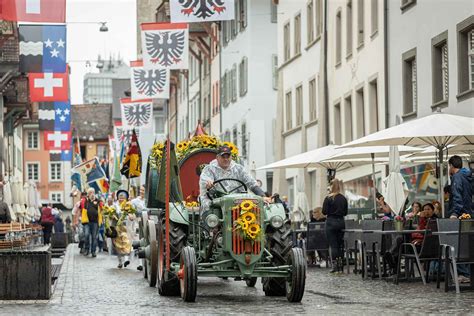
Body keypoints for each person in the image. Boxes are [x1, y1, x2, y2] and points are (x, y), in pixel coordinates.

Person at [199, 145, 271, 210]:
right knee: (209, 209)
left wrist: (262, 196)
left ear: (231, 157)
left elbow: (251, 183)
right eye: (223, 157)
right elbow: (206, 181)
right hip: (216, 200)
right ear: (217, 157)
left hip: (238, 200)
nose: (226, 159)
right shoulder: (209, 169)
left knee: (254, 208)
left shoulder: (239, 169)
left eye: (228, 156)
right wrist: (209, 183)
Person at [385, 203, 438, 273]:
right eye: (424, 209)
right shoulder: (423, 219)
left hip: (423, 247)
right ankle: (393, 261)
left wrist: (421, 219)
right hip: (415, 244)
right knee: (399, 242)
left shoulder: (434, 221)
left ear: (433, 210)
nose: (426, 211)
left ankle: (393, 262)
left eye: (428, 209)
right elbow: (420, 231)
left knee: (399, 244)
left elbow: (423, 232)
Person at [322, 179, 348, 274]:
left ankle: (335, 265)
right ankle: (341, 264)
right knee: (340, 244)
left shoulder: (328, 198)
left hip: (331, 222)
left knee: (333, 245)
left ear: (331, 186)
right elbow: (345, 212)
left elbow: (324, 211)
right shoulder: (343, 198)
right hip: (341, 222)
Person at [81, 188, 103, 257]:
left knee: (94, 237)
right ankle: (87, 249)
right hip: (87, 221)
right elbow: (81, 207)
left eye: (92, 192)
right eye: (90, 192)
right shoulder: (85, 201)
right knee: (87, 235)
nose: (92, 194)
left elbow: (102, 208)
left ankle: (93, 251)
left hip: (95, 222)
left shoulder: (98, 201)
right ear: (88, 194)